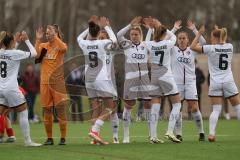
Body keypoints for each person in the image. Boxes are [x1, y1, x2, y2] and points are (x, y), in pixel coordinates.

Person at [190, 25, 240, 142]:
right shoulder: (230, 46)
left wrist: (199, 34)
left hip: (215, 82)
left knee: (216, 110)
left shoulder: (210, 48)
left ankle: (212, 134)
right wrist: (219, 31)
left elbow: (192, 47)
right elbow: (222, 40)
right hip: (228, 81)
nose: (211, 39)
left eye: (212, 37)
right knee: (237, 107)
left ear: (216, 38)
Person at [77, 16, 117, 145]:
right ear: (99, 33)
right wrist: (106, 26)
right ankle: (95, 131)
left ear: (89, 32)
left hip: (88, 80)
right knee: (111, 107)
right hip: (101, 79)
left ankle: (95, 138)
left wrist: (88, 28)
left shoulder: (84, 43)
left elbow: (79, 37)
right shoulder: (102, 43)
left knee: (96, 108)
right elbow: (114, 40)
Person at [0, 31, 41, 147]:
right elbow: (34, 53)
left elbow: (9, 54)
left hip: (1, 88)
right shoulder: (15, 53)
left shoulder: (1, 52)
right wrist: (27, 40)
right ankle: (28, 141)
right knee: (23, 110)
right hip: (11, 88)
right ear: (11, 42)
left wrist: (17, 42)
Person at [144, 17, 181, 143]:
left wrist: (150, 29)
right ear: (164, 34)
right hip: (166, 77)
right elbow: (173, 37)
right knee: (177, 104)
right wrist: (159, 24)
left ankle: (153, 136)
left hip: (154, 77)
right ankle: (170, 131)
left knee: (155, 107)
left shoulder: (150, 44)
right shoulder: (167, 43)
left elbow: (146, 41)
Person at [117, 17, 153, 143]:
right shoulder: (127, 45)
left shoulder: (145, 45)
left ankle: (151, 134)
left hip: (144, 79)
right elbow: (118, 35)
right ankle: (126, 136)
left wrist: (151, 29)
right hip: (130, 80)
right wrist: (130, 25)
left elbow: (150, 40)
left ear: (140, 35)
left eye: (136, 34)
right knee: (128, 105)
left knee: (148, 104)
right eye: (132, 34)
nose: (134, 36)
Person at [169, 20, 205, 141]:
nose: (182, 40)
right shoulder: (173, 50)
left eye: (184, 38)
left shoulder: (192, 50)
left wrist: (195, 30)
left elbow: (203, 42)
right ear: (177, 40)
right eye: (179, 38)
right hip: (177, 84)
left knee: (194, 108)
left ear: (188, 40)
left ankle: (201, 132)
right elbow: (165, 40)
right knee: (177, 108)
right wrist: (174, 29)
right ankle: (179, 133)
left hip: (190, 83)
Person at [35, 24, 68, 145]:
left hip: (58, 83)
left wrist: (55, 36)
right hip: (44, 83)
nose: (48, 35)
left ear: (56, 34)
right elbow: (36, 56)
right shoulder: (43, 46)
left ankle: (63, 137)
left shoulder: (60, 46)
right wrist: (38, 39)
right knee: (47, 110)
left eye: (51, 33)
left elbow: (64, 48)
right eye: (47, 33)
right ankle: (49, 138)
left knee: (61, 110)